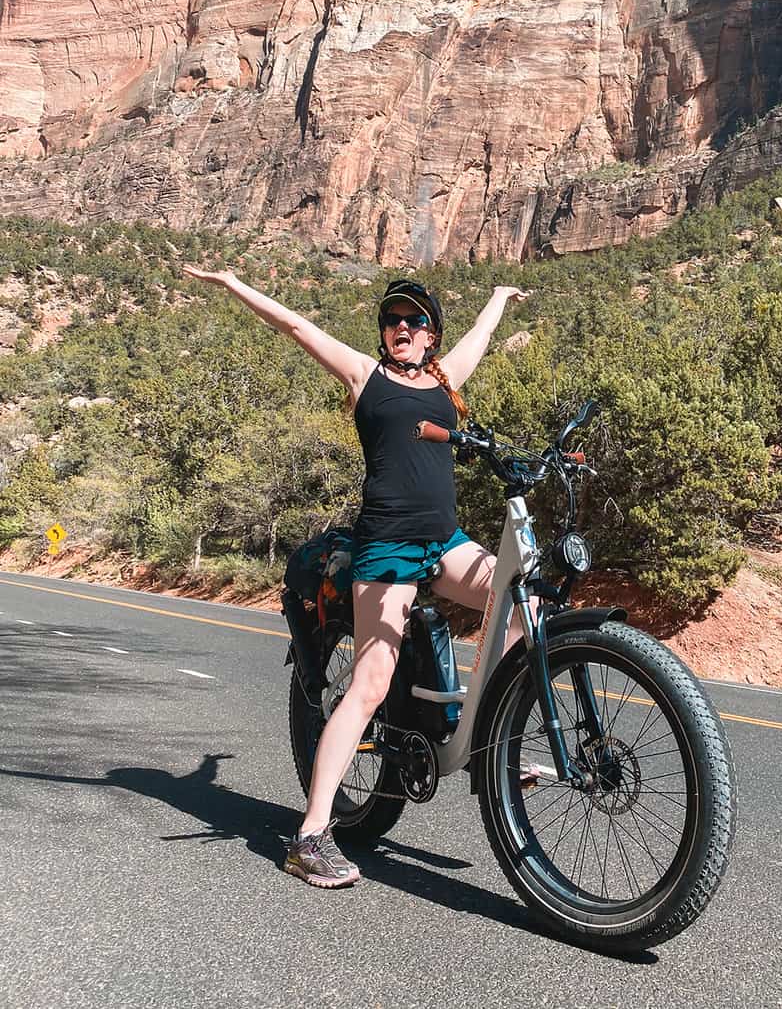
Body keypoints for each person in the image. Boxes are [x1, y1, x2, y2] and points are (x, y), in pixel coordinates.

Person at [181, 265, 528, 888]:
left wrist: (500, 298)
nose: (400, 327)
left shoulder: (448, 381)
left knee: (522, 601)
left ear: (431, 335)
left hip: (443, 541)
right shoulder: (366, 377)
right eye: (392, 320)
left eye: (414, 320)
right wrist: (234, 282)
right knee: (369, 684)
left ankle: (491, 737)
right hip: (386, 546)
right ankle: (311, 835)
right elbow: (295, 324)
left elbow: (480, 332)